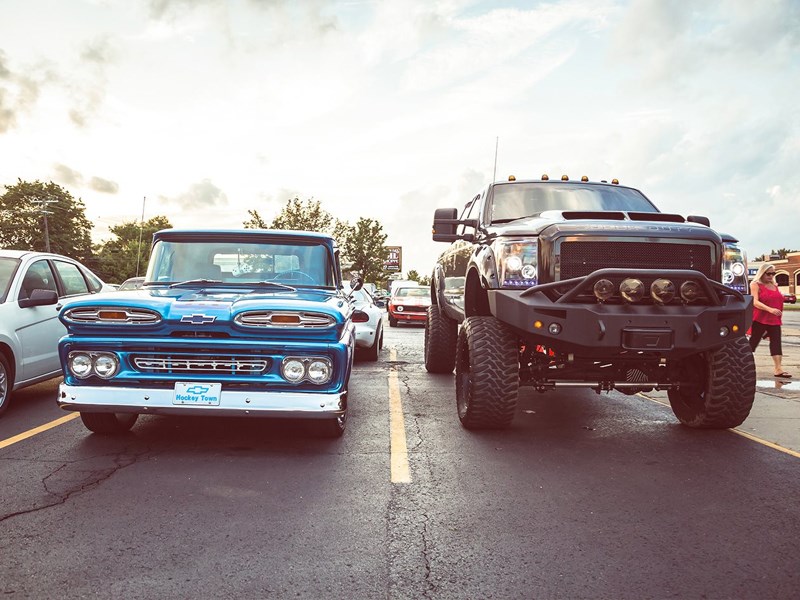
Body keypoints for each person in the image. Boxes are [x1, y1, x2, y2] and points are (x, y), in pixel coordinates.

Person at [749, 263, 790, 378]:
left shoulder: (774, 285)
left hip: (774, 320)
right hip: (760, 319)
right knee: (753, 343)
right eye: (769, 273)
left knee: (776, 343)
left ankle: (778, 369)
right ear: (762, 273)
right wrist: (770, 309)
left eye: (773, 273)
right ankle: (741, 364)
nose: (771, 276)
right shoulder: (755, 284)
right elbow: (755, 302)